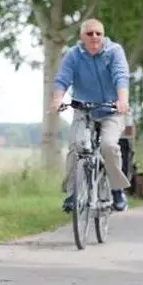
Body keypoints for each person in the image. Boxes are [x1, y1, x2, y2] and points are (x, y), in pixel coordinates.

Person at [50, 18, 131, 212]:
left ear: (103, 35)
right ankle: (73, 193)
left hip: (112, 110)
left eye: (98, 33)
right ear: (81, 36)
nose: (94, 36)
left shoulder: (114, 51)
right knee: (76, 146)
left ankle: (116, 189)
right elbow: (62, 79)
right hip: (84, 110)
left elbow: (121, 76)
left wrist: (122, 100)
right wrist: (57, 99)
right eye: (89, 33)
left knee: (108, 146)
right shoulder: (73, 55)